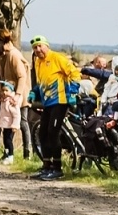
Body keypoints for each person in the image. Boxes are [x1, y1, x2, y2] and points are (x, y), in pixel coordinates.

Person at [29, 36, 80, 181]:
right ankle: (46, 166)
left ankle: (57, 169)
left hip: (60, 101)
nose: (38, 50)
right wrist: (34, 92)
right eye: (35, 48)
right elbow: (42, 82)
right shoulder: (38, 62)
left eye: (40, 46)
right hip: (48, 102)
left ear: (47, 46)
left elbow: (74, 73)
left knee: (53, 132)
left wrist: (72, 92)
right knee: (42, 133)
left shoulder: (57, 58)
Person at [0, 28, 30, 164]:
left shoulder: (14, 55)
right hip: (7, 94)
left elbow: (22, 76)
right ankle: (7, 152)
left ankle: (27, 152)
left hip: (17, 95)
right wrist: (0, 90)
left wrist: (18, 95)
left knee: (22, 122)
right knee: (7, 125)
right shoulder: (2, 55)